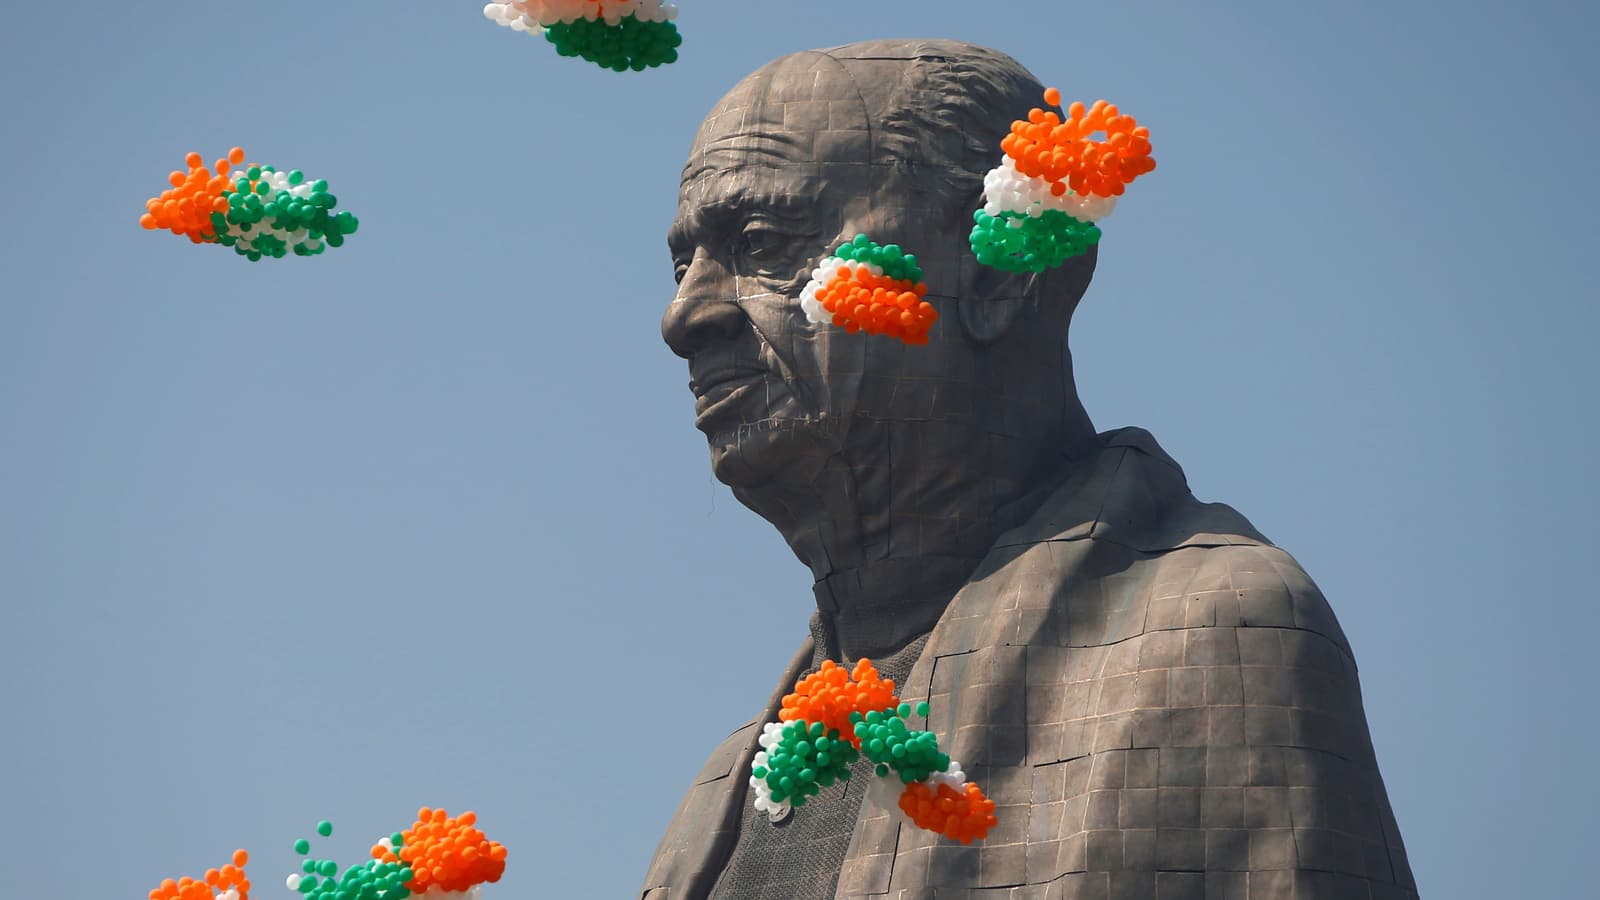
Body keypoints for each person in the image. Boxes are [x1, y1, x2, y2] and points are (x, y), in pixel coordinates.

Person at [645, 39, 1417, 900]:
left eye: (760, 240)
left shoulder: (1214, 637)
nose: (685, 316)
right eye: (684, 265)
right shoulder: (723, 790)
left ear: (1000, 271)